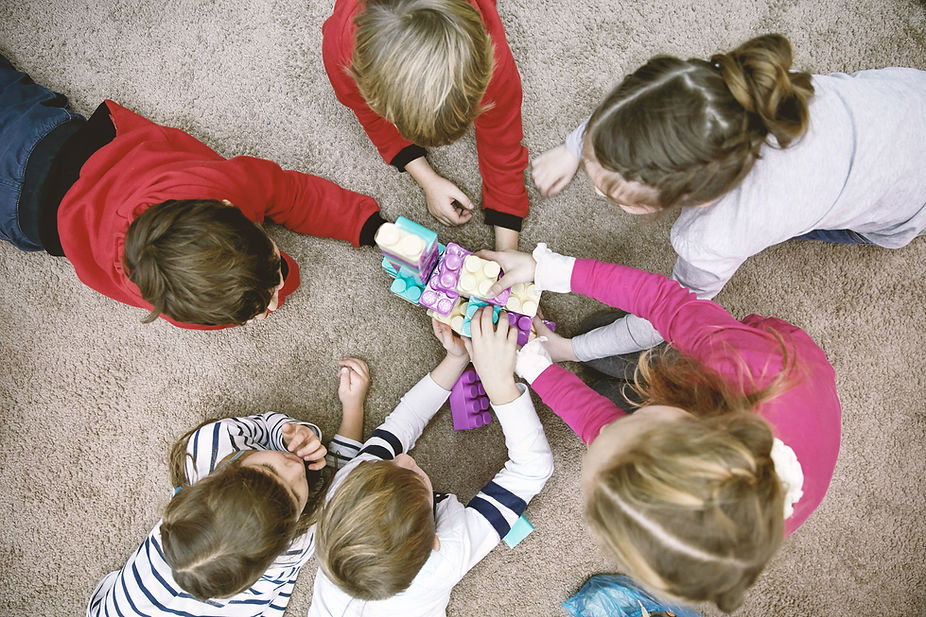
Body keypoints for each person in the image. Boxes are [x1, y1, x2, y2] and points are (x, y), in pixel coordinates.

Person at [480, 244, 841, 612]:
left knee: (614, 371)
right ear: (688, 421)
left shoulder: (729, 532)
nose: (603, 433)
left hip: (773, 400)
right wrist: (546, 269)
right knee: (610, 344)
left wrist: (537, 369)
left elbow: (604, 433)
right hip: (775, 357)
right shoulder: (742, 363)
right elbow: (662, 300)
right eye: (624, 430)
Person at [530, 33, 926, 359]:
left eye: (616, 194)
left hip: (904, 206)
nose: (597, 193)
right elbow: (638, 111)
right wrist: (576, 146)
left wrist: (571, 349)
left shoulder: (716, 236)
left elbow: (670, 311)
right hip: (908, 97)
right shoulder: (712, 93)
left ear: (699, 198)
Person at [0, 54, 386, 329]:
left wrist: (367, 225)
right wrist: (281, 276)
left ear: (227, 205)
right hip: (29, 204)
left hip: (43, 146)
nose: (274, 301)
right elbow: (286, 199)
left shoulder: (222, 184)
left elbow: (292, 192)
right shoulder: (172, 297)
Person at [85, 358, 371, 617]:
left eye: (268, 469)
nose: (295, 467)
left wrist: (290, 435)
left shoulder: (207, 446)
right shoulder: (294, 545)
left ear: (214, 477)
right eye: (297, 496)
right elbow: (340, 487)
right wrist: (352, 409)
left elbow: (265, 426)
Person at [308, 314, 554, 616]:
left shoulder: (348, 487)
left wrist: (456, 358)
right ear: (433, 541)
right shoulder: (447, 553)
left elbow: (401, 424)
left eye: (384, 464)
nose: (403, 458)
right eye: (413, 474)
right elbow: (533, 468)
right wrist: (500, 384)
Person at [322, 0, 529, 250]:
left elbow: (502, 135)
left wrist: (507, 246)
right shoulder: (340, 52)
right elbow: (371, 117)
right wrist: (427, 178)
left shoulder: (490, 53)